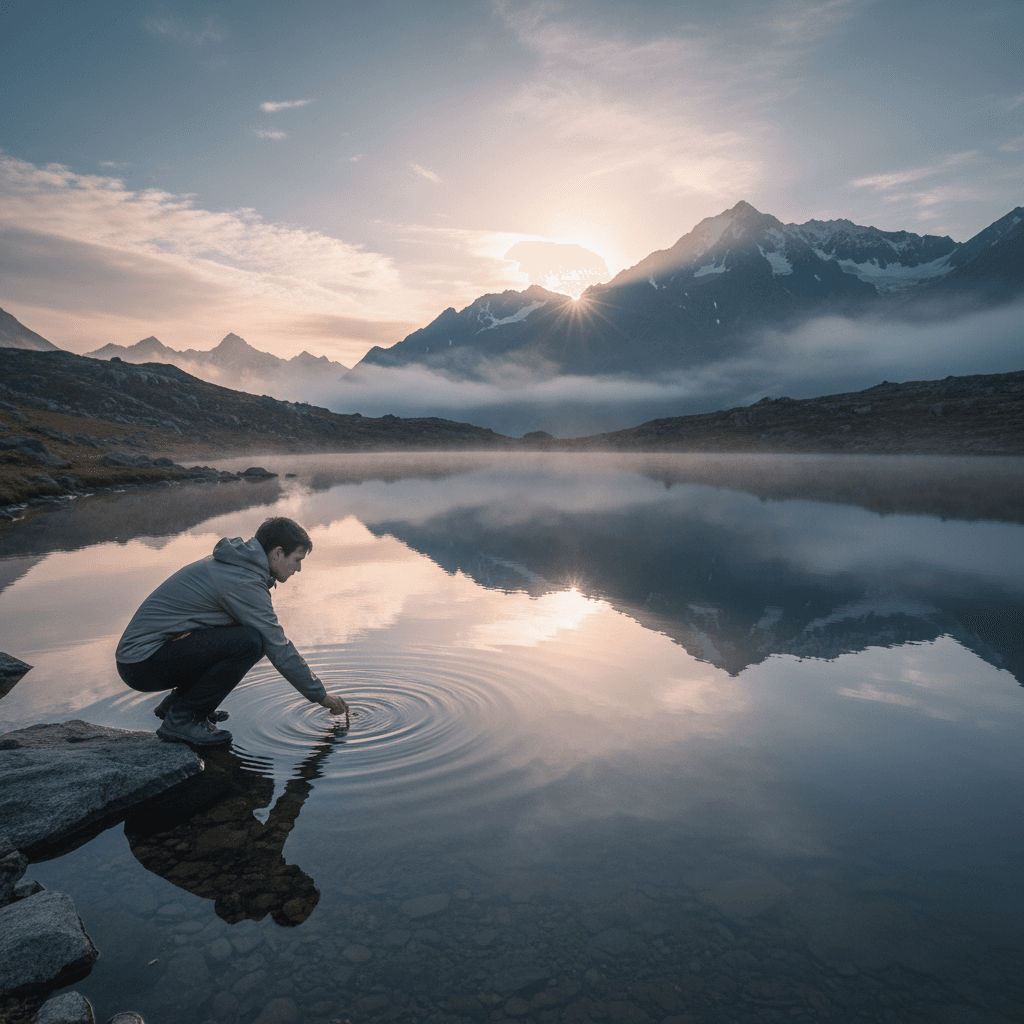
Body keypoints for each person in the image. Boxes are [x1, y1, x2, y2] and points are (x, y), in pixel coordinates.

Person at [116, 516, 349, 746]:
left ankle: (179, 706)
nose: (299, 568)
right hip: (142, 663)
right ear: (277, 553)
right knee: (250, 641)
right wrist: (321, 696)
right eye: (297, 559)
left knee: (247, 635)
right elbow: (278, 645)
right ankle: (184, 719)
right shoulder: (242, 580)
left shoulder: (239, 566)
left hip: (146, 658)